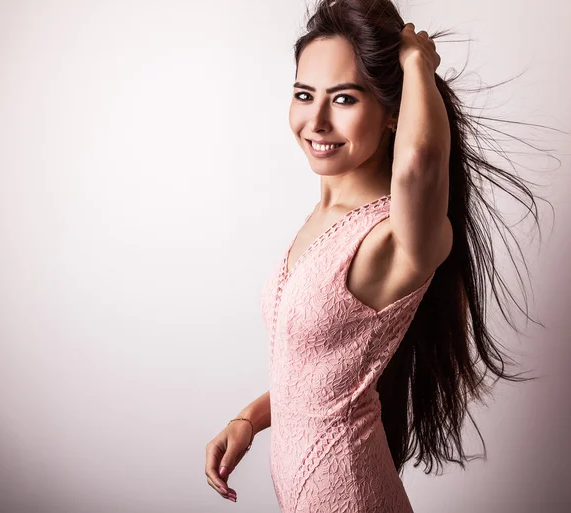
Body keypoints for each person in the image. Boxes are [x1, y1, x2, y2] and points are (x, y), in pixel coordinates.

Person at [205, 0, 546, 510]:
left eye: (343, 99)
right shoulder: (325, 217)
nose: (316, 120)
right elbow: (317, 382)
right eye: (304, 94)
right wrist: (249, 419)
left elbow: (417, 166)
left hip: (347, 493)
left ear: (393, 114)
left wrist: (416, 65)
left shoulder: (399, 235)